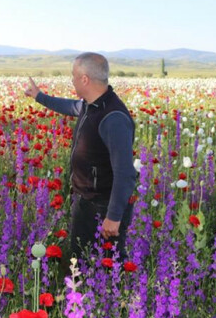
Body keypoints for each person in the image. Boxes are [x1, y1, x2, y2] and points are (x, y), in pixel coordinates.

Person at [24, 52, 137, 260]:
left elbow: (125, 173)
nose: (71, 80)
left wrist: (113, 216)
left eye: (73, 75)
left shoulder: (113, 117)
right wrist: (39, 96)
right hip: (86, 201)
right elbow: (68, 106)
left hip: (103, 206)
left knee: (104, 266)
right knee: (81, 259)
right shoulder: (90, 105)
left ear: (85, 79)